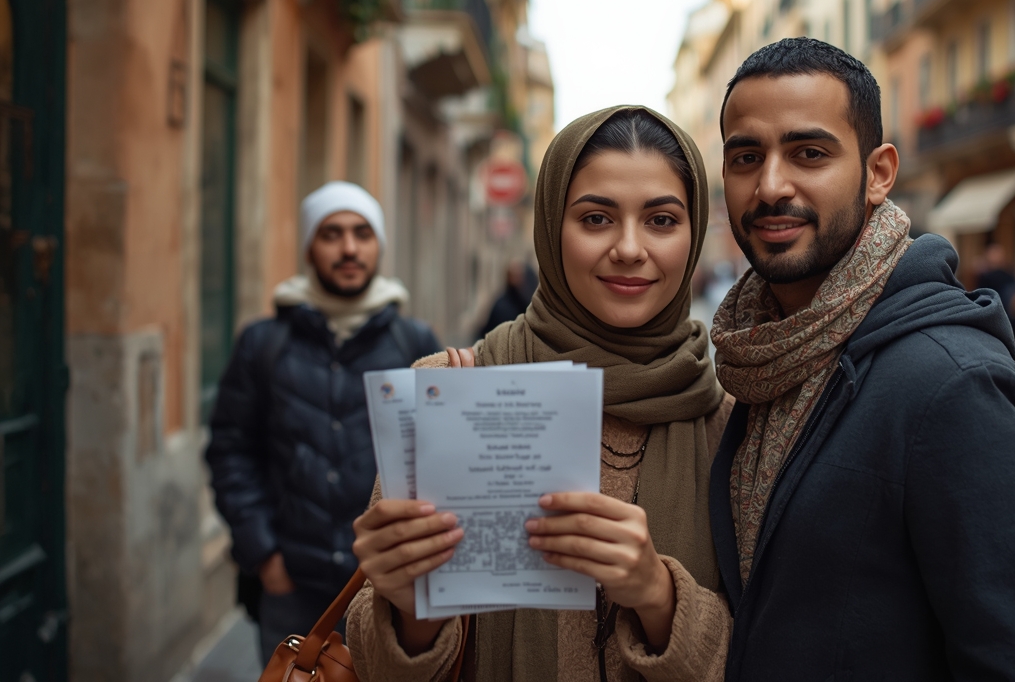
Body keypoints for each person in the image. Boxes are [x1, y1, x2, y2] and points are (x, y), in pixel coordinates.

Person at [709, 37, 1015, 680]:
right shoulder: (760, 360)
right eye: (747, 157)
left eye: (809, 153)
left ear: (878, 172)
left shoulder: (955, 384)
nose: (770, 186)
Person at [346, 107, 734, 682]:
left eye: (661, 220)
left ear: (694, 233)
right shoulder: (453, 390)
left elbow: (761, 643)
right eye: (597, 218)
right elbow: (376, 664)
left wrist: (658, 594)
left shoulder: (726, 419)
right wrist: (408, 608)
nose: (629, 248)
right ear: (552, 227)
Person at [205, 181, 442, 664]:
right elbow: (231, 451)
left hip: (384, 587)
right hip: (291, 586)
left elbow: (441, 458)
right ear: (310, 246)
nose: (349, 248)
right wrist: (264, 554)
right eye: (331, 234)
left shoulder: (413, 342)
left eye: (362, 233)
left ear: (378, 245)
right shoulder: (263, 344)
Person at [475, 259, 538, 339]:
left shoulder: (528, 302)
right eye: (514, 276)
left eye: (519, 276)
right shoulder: (501, 306)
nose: (517, 279)